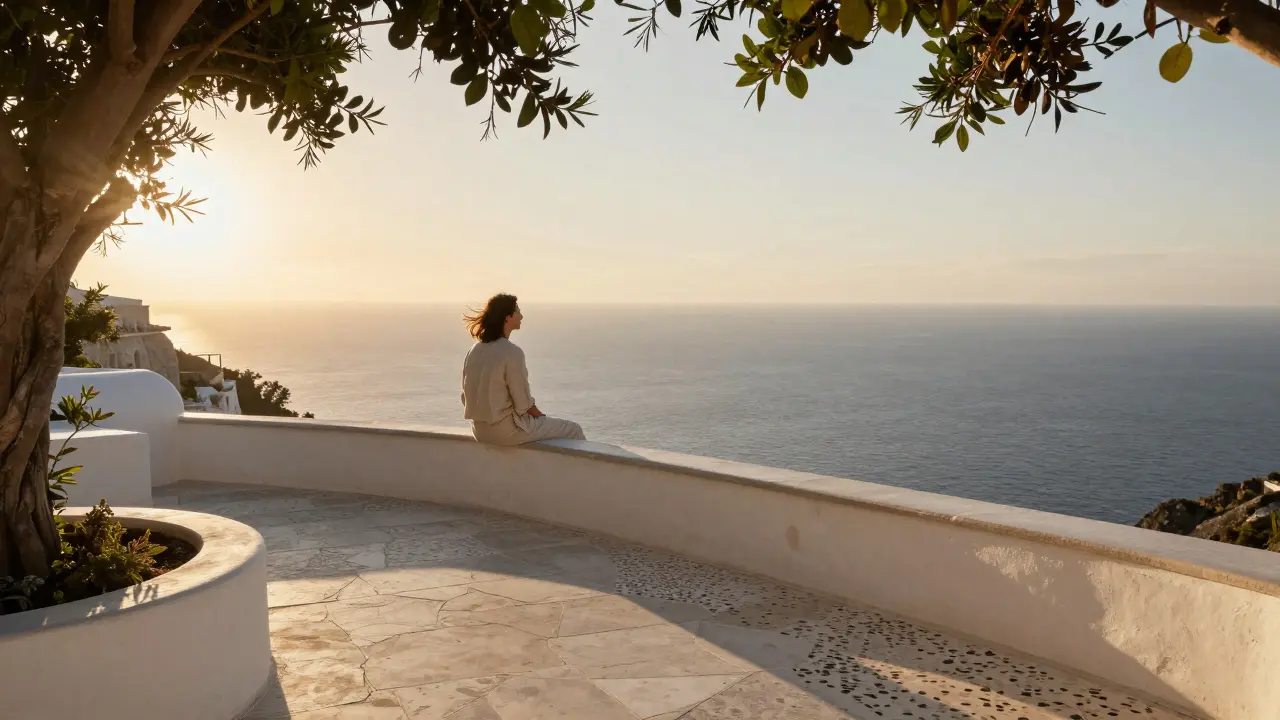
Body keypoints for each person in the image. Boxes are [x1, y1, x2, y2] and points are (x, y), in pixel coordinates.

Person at [461, 294, 586, 445]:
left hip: (479, 431)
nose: (521, 315)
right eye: (518, 311)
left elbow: (465, 396)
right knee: (573, 429)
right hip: (505, 431)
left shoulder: (474, 350)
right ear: (507, 317)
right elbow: (523, 404)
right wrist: (541, 418)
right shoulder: (511, 352)